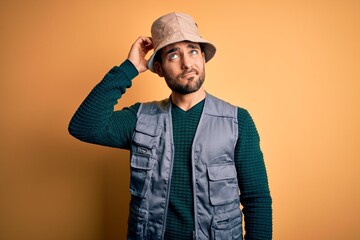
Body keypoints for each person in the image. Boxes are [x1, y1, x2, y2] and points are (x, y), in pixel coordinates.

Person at [69, 12, 272, 240]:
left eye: (193, 51)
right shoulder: (140, 118)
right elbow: (84, 126)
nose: (187, 63)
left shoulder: (238, 121)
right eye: (174, 55)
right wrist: (130, 67)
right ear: (159, 68)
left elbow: (257, 200)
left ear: (203, 58)